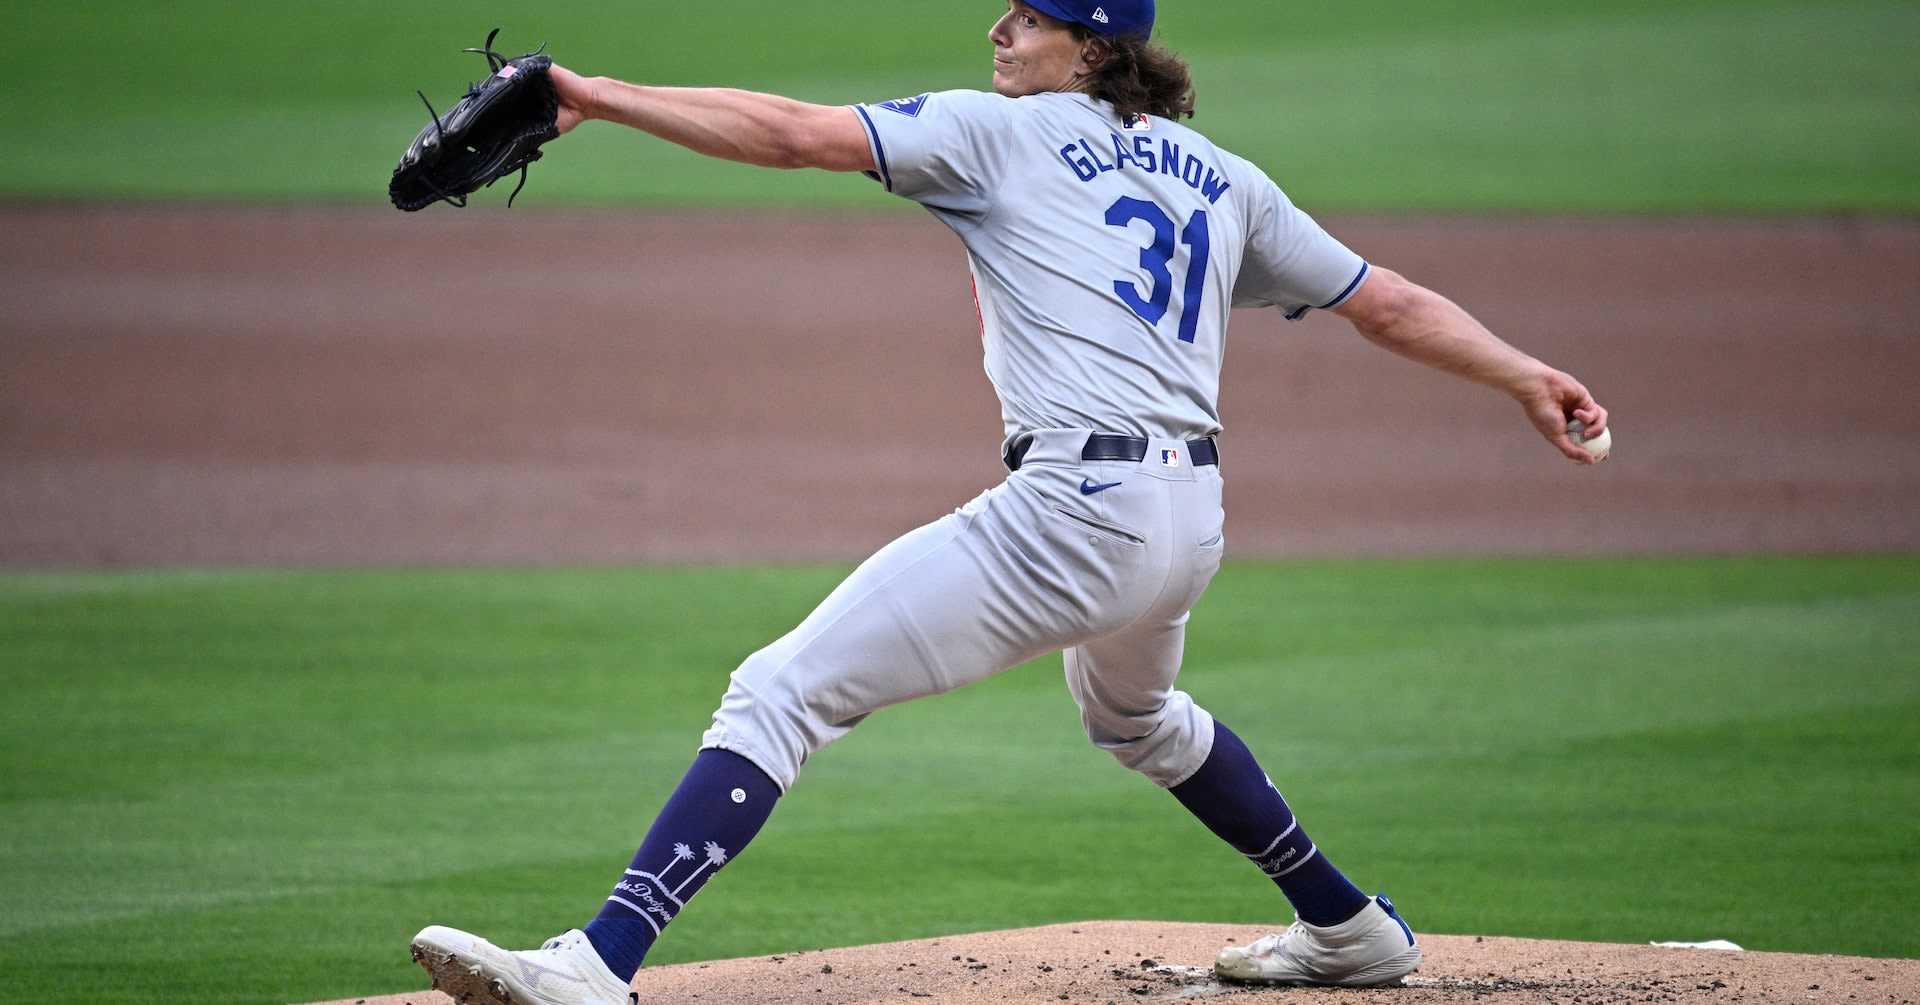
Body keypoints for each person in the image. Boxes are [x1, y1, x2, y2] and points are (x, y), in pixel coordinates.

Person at [411, 1, 1610, 1000]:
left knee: (780, 689)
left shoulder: (1000, 134)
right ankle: (1350, 929)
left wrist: (596, 93)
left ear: (1090, 49)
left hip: (1076, 517)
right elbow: (1384, 302)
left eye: (1028, 16)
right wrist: (1526, 375)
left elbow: (788, 133)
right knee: (1136, 721)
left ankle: (599, 962)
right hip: (1190, 525)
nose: (997, 27)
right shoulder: (1223, 179)